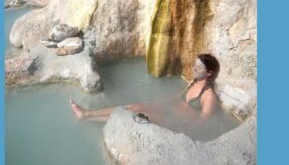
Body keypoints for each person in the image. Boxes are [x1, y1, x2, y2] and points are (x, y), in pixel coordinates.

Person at [69, 54, 220, 133]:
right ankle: (88, 114)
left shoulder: (209, 97)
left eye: (199, 68)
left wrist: (180, 131)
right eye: (195, 65)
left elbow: (202, 123)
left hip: (176, 123)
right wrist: (154, 104)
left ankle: (88, 118)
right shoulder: (192, 83)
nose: (194, 69)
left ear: (209, 73)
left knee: (134, 115)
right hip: (168, 112)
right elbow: (176, 98)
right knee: (134, 106)